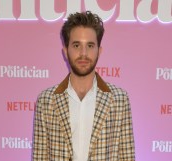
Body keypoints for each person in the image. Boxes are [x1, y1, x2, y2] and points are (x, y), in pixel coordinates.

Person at [32, 11, 135, 161]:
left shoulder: (119, 99)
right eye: (76, 45)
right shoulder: (46, 100)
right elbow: (39, 158)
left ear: (99, 51)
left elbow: (127, 157)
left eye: (90, 45)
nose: (83, 53)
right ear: (66, 51)